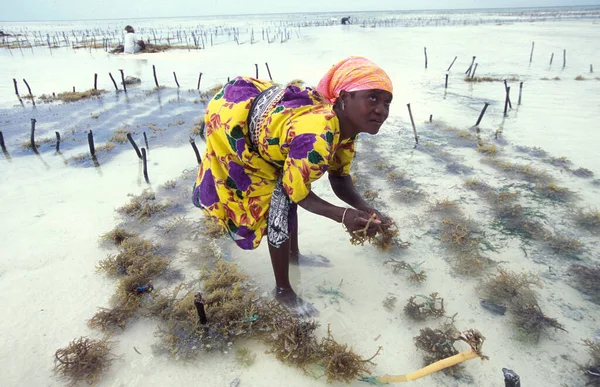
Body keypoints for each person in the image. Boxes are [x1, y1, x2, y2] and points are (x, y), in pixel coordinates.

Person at [192, 56, 393, 315]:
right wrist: (343, 215)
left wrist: (367, 208)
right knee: (278, 205)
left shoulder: (346, 131)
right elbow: (295, 192)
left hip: (271, 118)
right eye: (373, 98)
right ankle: (283, 290)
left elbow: (339, 178)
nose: (381, 110)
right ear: (343, 99)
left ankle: (293, 256)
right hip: (234, 116)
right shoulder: (318, 136)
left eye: (387, 102)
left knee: (286, 198)